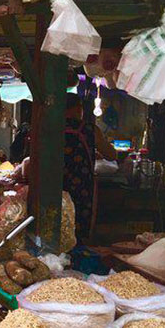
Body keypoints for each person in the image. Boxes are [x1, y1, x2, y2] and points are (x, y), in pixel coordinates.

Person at [63, 93, 117, 242]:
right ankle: (79, 254)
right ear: (78, 108)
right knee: (79, 226)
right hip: (81, 188)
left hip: (54, 186)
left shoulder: (51, 128)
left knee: (57, 224)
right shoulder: (89, 129)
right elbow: (112, 155)